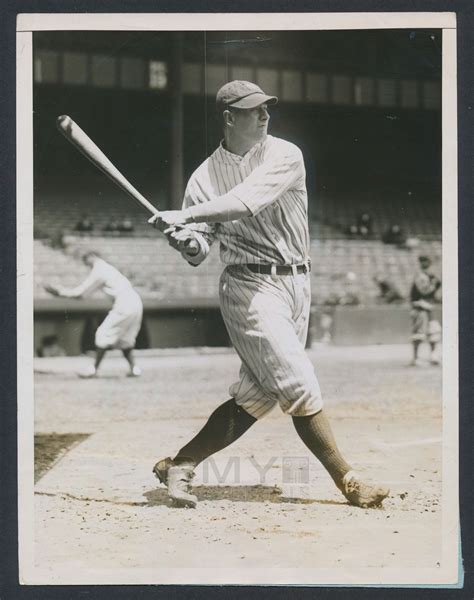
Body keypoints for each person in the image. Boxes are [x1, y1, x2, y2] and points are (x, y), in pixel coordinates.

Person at [148, 80, 389, 509]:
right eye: (252, 109)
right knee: (298, 382)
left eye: (266, 107)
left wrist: (183, 215)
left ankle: (179, 464)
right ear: (228, 117)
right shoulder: (203, 177)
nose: (264, 114)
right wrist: (186, 240)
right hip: (249, 286)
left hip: (298, 283)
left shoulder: (285, 154)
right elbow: (200, 247)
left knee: (255, 398)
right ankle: (348, 481)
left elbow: (244, 202)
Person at [44, 251, 143, 378]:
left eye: (86, 261)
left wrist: (60, 292)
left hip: (125, 302)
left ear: (92, 257)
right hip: (135, 301)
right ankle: (134, 369)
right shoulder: (108, 268)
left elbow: (81, 294)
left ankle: (93, 370)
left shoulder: (99, 269)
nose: (87, 265)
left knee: (102, 334)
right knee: (126, 340)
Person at [409, 255, 442, 366]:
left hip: (429, 307)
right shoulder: (420, 276)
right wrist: (435, 284)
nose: (427, 263)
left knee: (434, 332)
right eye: (424, 261)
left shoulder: (429, 275)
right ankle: (416, 358)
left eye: (428, 261)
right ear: (421, 262)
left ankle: (433, 357)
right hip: (419, 307)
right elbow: (424, 292)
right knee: (419, 333)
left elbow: (432, 294)